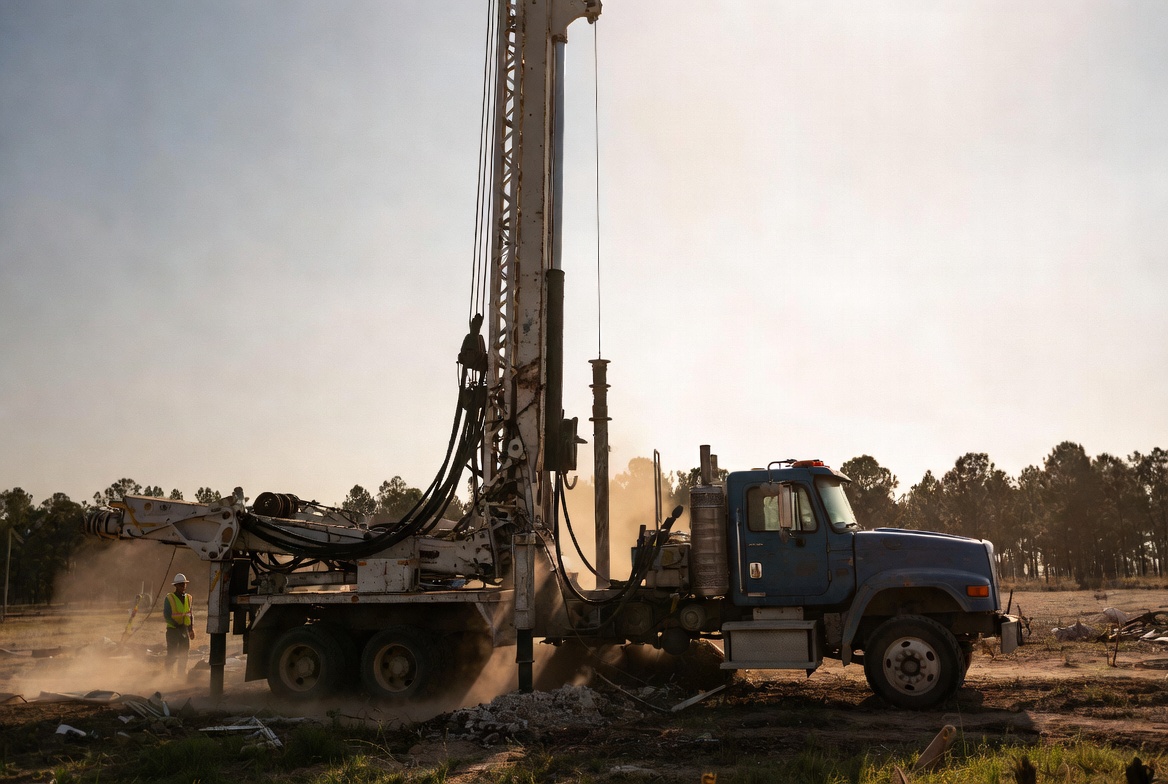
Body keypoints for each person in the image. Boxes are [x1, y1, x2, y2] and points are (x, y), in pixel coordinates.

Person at [163, 573, 195, 675]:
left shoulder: (188, 598)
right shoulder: (170, 598)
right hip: (173, 630)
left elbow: (190, 614)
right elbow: (167, 615)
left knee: (184, 654)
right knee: (172, 654)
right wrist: (177, 626)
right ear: (176, 586)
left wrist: (191, 629)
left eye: (184, 584)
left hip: (184, 629)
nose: (183, 586)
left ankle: (181, 675)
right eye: (181, 585)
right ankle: (168, 675)